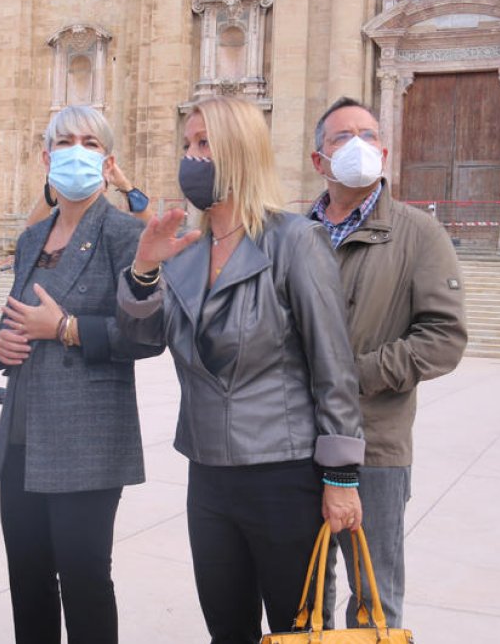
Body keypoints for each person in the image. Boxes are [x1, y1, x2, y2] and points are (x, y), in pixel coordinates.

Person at [116, 96, 365, 643]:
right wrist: (143, 269)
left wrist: (342, 477)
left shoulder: (295, 241)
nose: (191, 157)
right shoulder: (184, 249)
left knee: (296, 631)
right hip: (207, 474)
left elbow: (334, 368)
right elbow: (141, 341)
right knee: (227, 629)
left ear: (239, 151)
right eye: (188, 145)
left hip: (284, 473)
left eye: (204, 143)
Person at [0, 105, 163, 644]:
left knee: (85, 581)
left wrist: (63, 328)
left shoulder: (124, 233)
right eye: (66, 141)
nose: (76, 151)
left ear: (108, 162)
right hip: (22, 437)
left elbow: (148, 335)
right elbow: (15, 319)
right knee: (28, 580)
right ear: (46, 156)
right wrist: (3, 344)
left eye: (90, 143)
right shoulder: (31, 238)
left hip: (86, 440)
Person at [308, 97, 468, 629]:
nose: (357, 145)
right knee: (302, 592)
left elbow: (444, 338)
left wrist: (354, 376)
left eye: (367, 134)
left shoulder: (418, 233)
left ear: (383, 152)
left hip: (373, 444)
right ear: (318, 160)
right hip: (291, 438)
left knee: (373, 596)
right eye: (340, 137)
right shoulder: (292, 231)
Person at [25, 157, 153, 226]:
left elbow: (153, 235)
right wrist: (54, 185)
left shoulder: (115, 226)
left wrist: (126, 186)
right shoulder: (58, 229)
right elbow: (29, 237)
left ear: (104, 187)